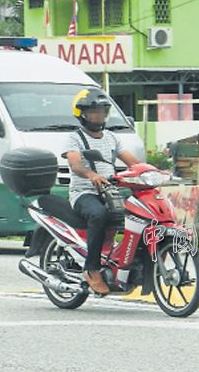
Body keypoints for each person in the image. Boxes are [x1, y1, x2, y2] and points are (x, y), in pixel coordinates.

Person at [63, 89, 142, 294]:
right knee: (98, 214)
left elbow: (131, 161)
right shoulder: (75, 138)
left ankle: (126, 260)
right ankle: (91, 269)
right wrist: (92, 176)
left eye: (101, 111)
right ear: (82, 113)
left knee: (139, 213)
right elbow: (75, 164)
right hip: (84, 193)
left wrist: (154, 172)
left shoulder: (111, 138)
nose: (98, 116)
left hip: (111, 192)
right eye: (93, 112)